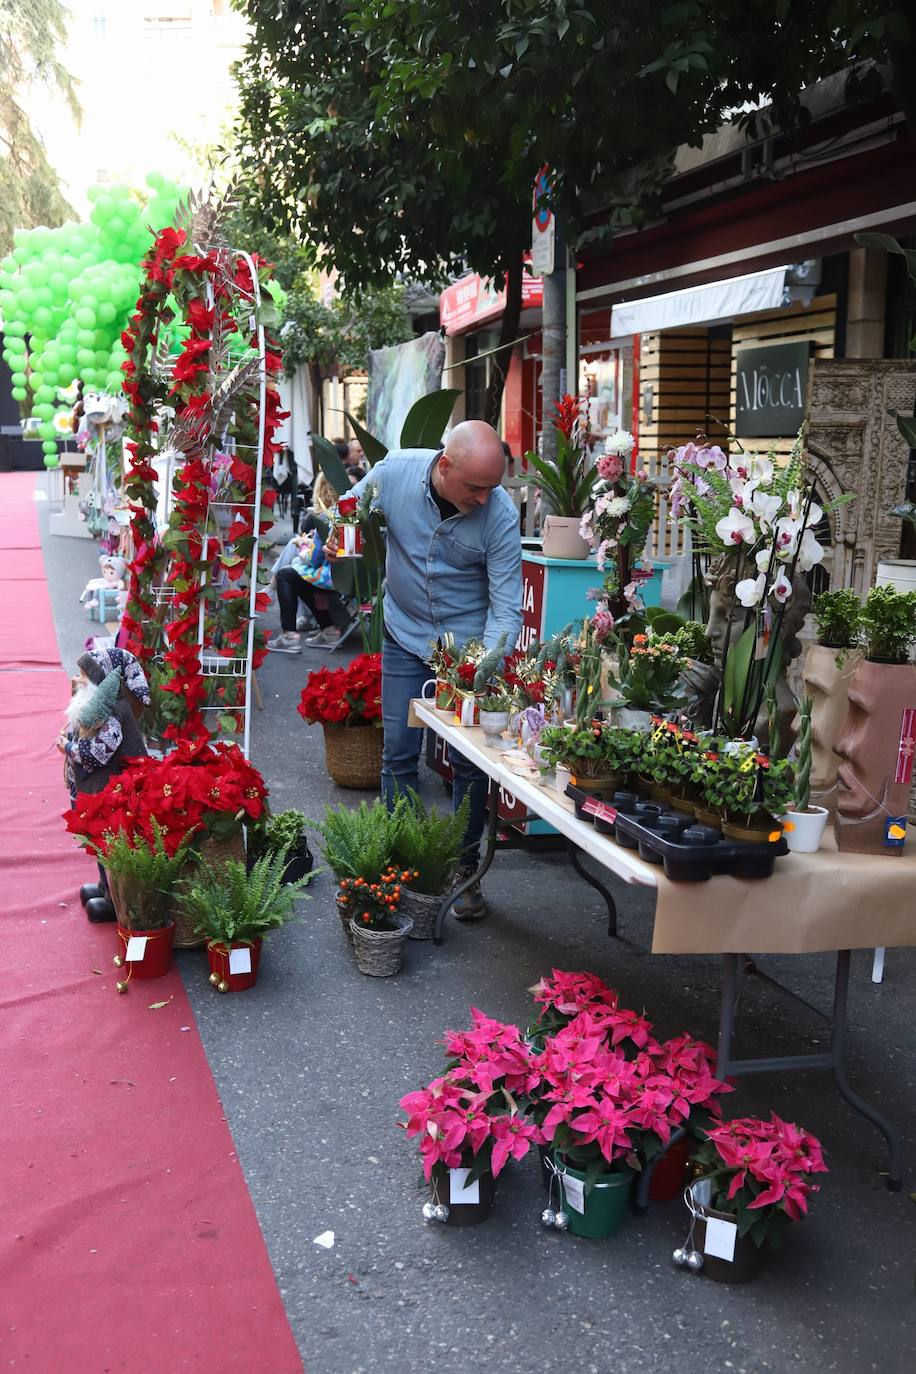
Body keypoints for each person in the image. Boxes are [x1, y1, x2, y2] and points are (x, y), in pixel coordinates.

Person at [346, 419, 523, 919]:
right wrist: (342, 521)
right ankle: (401, 865)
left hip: (467, 650)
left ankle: (464, 871)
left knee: (469, 763)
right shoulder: (395, 473)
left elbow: (507, 608)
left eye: (493, 487)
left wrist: (483, 671)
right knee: (399, 754)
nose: (485, 499)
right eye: (474, 487)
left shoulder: (500, 515)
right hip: (404, 635)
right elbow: (351, 505)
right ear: (444, 466)